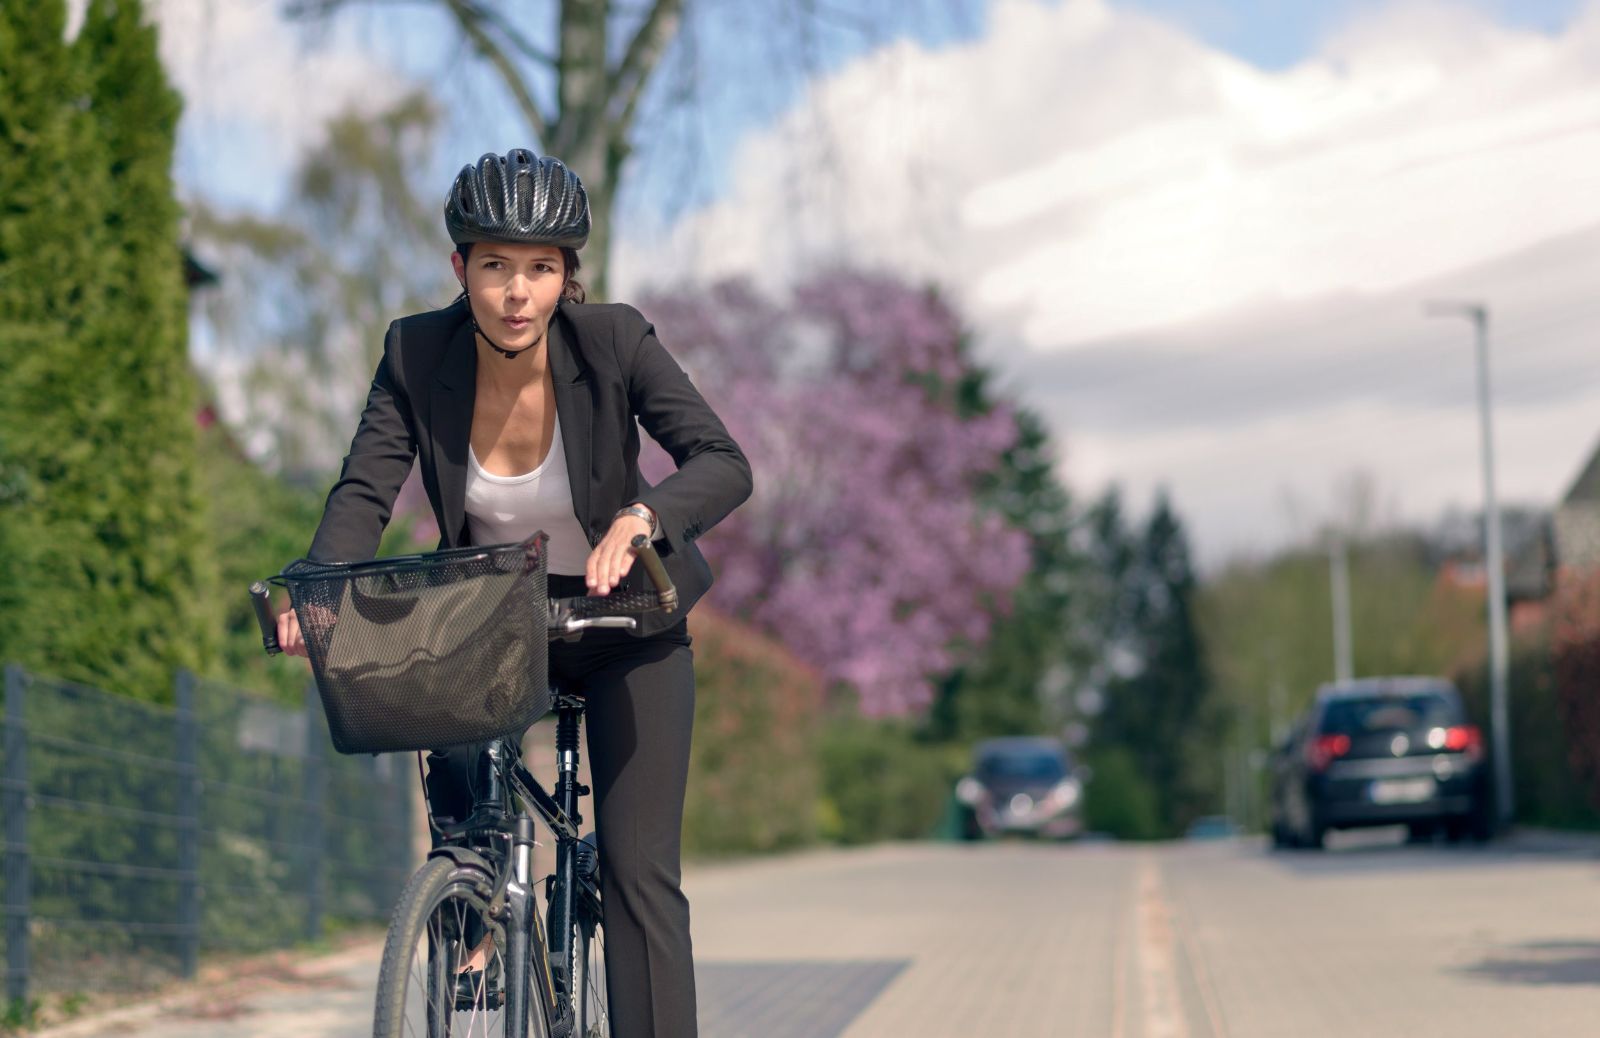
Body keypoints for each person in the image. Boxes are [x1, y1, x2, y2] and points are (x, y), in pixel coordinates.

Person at [275, 148, 752, 1036]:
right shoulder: (417, 354)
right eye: (495, 265)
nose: (517, 291)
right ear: (460, 269)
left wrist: (643, 517)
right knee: (455, 775)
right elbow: (363, 493)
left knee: (637, 874)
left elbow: (722, 461)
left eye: (540, 268)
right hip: (497, 617)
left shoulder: (614, 341)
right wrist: (314, 593)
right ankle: (473, 903)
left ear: (569, 276)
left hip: (627, 622)